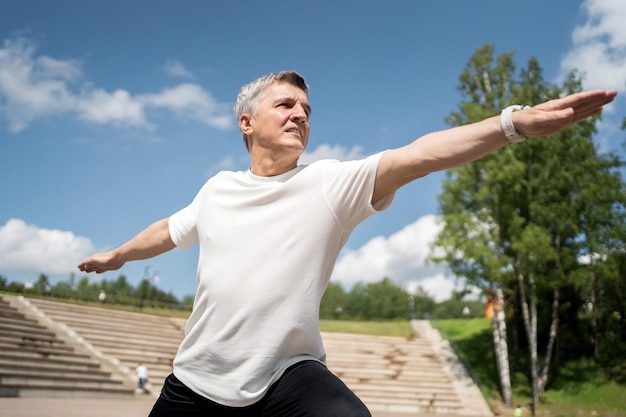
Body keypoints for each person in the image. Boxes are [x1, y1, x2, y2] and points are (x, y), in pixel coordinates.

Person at [78, 70, 616, 417]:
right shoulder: (217, 189)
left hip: (286, 379)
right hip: (198, 381)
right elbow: (168, 230)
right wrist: (118, 255)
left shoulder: (328, 184)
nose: (301, 115)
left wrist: (512, 123)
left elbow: (418, 154)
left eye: (307, 110)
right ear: (246, 122)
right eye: (286, 105)